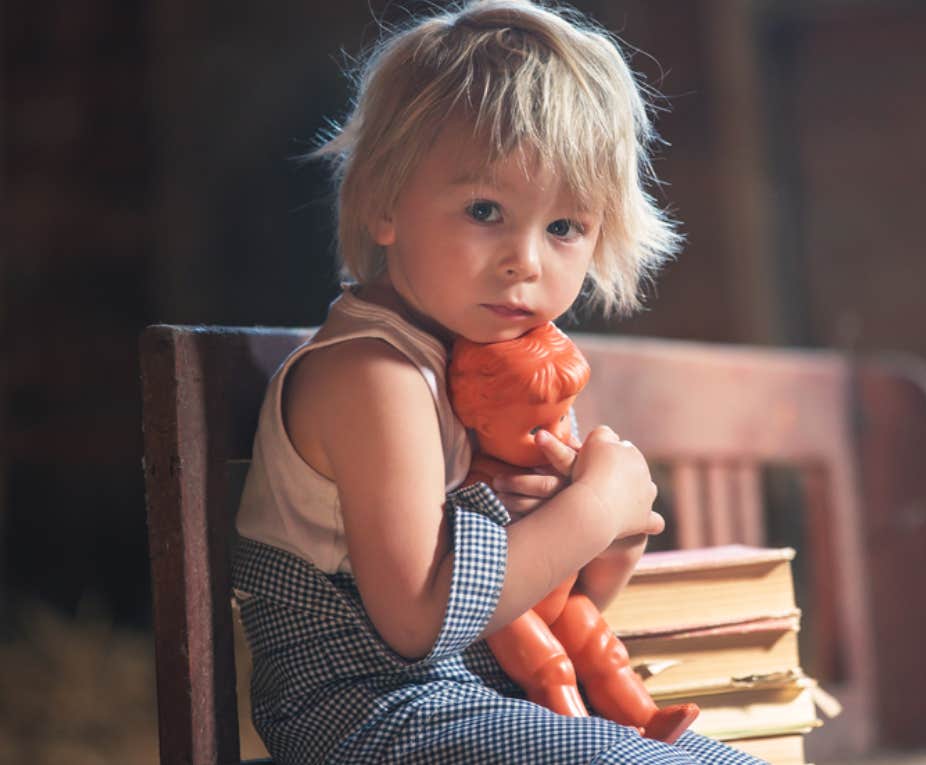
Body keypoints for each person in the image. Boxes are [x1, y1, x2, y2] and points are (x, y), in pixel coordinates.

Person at [231, 1, 765, 762]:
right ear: (384, 202)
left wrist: (612, 537)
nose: (526, 262)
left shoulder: (497, 362)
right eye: (486, 209)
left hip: (481, 698)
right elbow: (418, 619)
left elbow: (551, 610)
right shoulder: (373, 374)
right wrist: (590, 507)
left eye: (564, 227)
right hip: (372, 714)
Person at [449, 322, 699, 742]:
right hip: (510, 607)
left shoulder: (569, 464)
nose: (557, 437)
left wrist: (597, 487)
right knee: (551, 668)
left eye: (563, 417)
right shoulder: (482, 485)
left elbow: (622, 521)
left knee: (604, 651)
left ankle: (647, 719)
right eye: (534, 430)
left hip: (562, 596)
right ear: (483, 426)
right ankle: (580, 734)